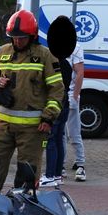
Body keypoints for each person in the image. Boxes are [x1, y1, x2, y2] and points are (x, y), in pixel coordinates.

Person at [0, 9, 64, 192]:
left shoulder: (45, 56)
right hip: (2, 125)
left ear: (32, 36)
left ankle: (22, 213)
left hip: (33, 129)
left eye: (22, 37)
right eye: (14, 37)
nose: (17, 41)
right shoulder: (3, 52)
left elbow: (57, 90)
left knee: (26, 176)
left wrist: (48, 118)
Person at [39, 17, 74, 187]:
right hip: (66, 104)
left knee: (52, 140)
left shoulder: (53, 63)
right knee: (59, 140)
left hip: (57, 105)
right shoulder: (66, 64)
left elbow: (52, 86)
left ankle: (50, 175)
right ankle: (58, 174)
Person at [66, 42, 87, 181]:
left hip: (69, 95)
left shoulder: (75, 47)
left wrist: (75, 96)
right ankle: (61, 166)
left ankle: (80, 164)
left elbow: (80, 72)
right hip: (59, 95)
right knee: (60, 134)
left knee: (73, 132)